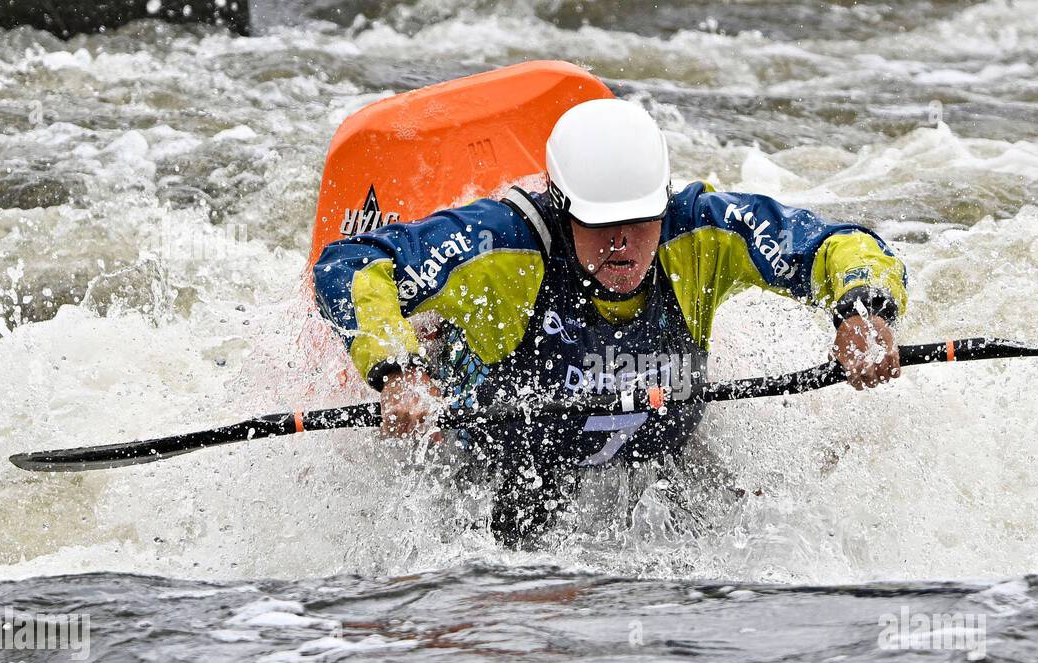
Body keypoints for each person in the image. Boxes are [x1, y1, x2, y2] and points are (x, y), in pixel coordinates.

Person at [313, 99, 907, 547]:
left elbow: (840, 244)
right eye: (600, 225)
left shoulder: (702, 229)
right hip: (506, 470)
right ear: (560, 203)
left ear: (663, 200)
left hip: (660, 457)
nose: (622, 244)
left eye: (639, 221)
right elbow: (352, 264)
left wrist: (863, 313)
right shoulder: (501, 244)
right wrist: (396, 370)